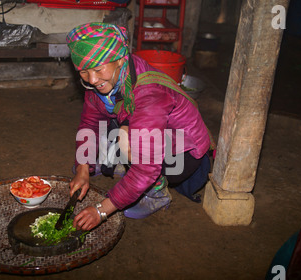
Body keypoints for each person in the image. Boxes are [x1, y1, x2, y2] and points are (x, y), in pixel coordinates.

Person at [66, 23, 213, 231]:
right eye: (84, 71)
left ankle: (157, 192)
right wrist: (83, 166)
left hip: (182, 155)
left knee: (126, 140)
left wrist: (101, 210)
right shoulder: (104, 79)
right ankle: (118, 162)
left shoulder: (149, 96)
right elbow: (90, 122)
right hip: (152, 134)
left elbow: (146, 168)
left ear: (120, 59)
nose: (92, 79)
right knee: (108, 124)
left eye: (98, 70)